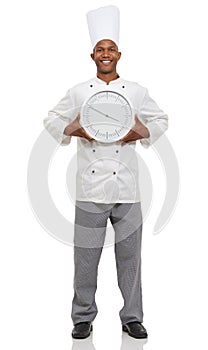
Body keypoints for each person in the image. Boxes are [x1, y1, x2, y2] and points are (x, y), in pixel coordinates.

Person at [43, 5, 168, 340]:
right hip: (89, 190)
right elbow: (52, 121)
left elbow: (160, 121)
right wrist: (74, 130)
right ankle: (82, 317)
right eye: (100, 49)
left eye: (111, 48)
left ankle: (132, 317)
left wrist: (139, 132)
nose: (106, 54)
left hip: (128, 189)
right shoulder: (78, 91)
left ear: (119, 54)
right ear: (92, 55)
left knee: (131, 261)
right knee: (86, 259)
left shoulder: (137, 91)